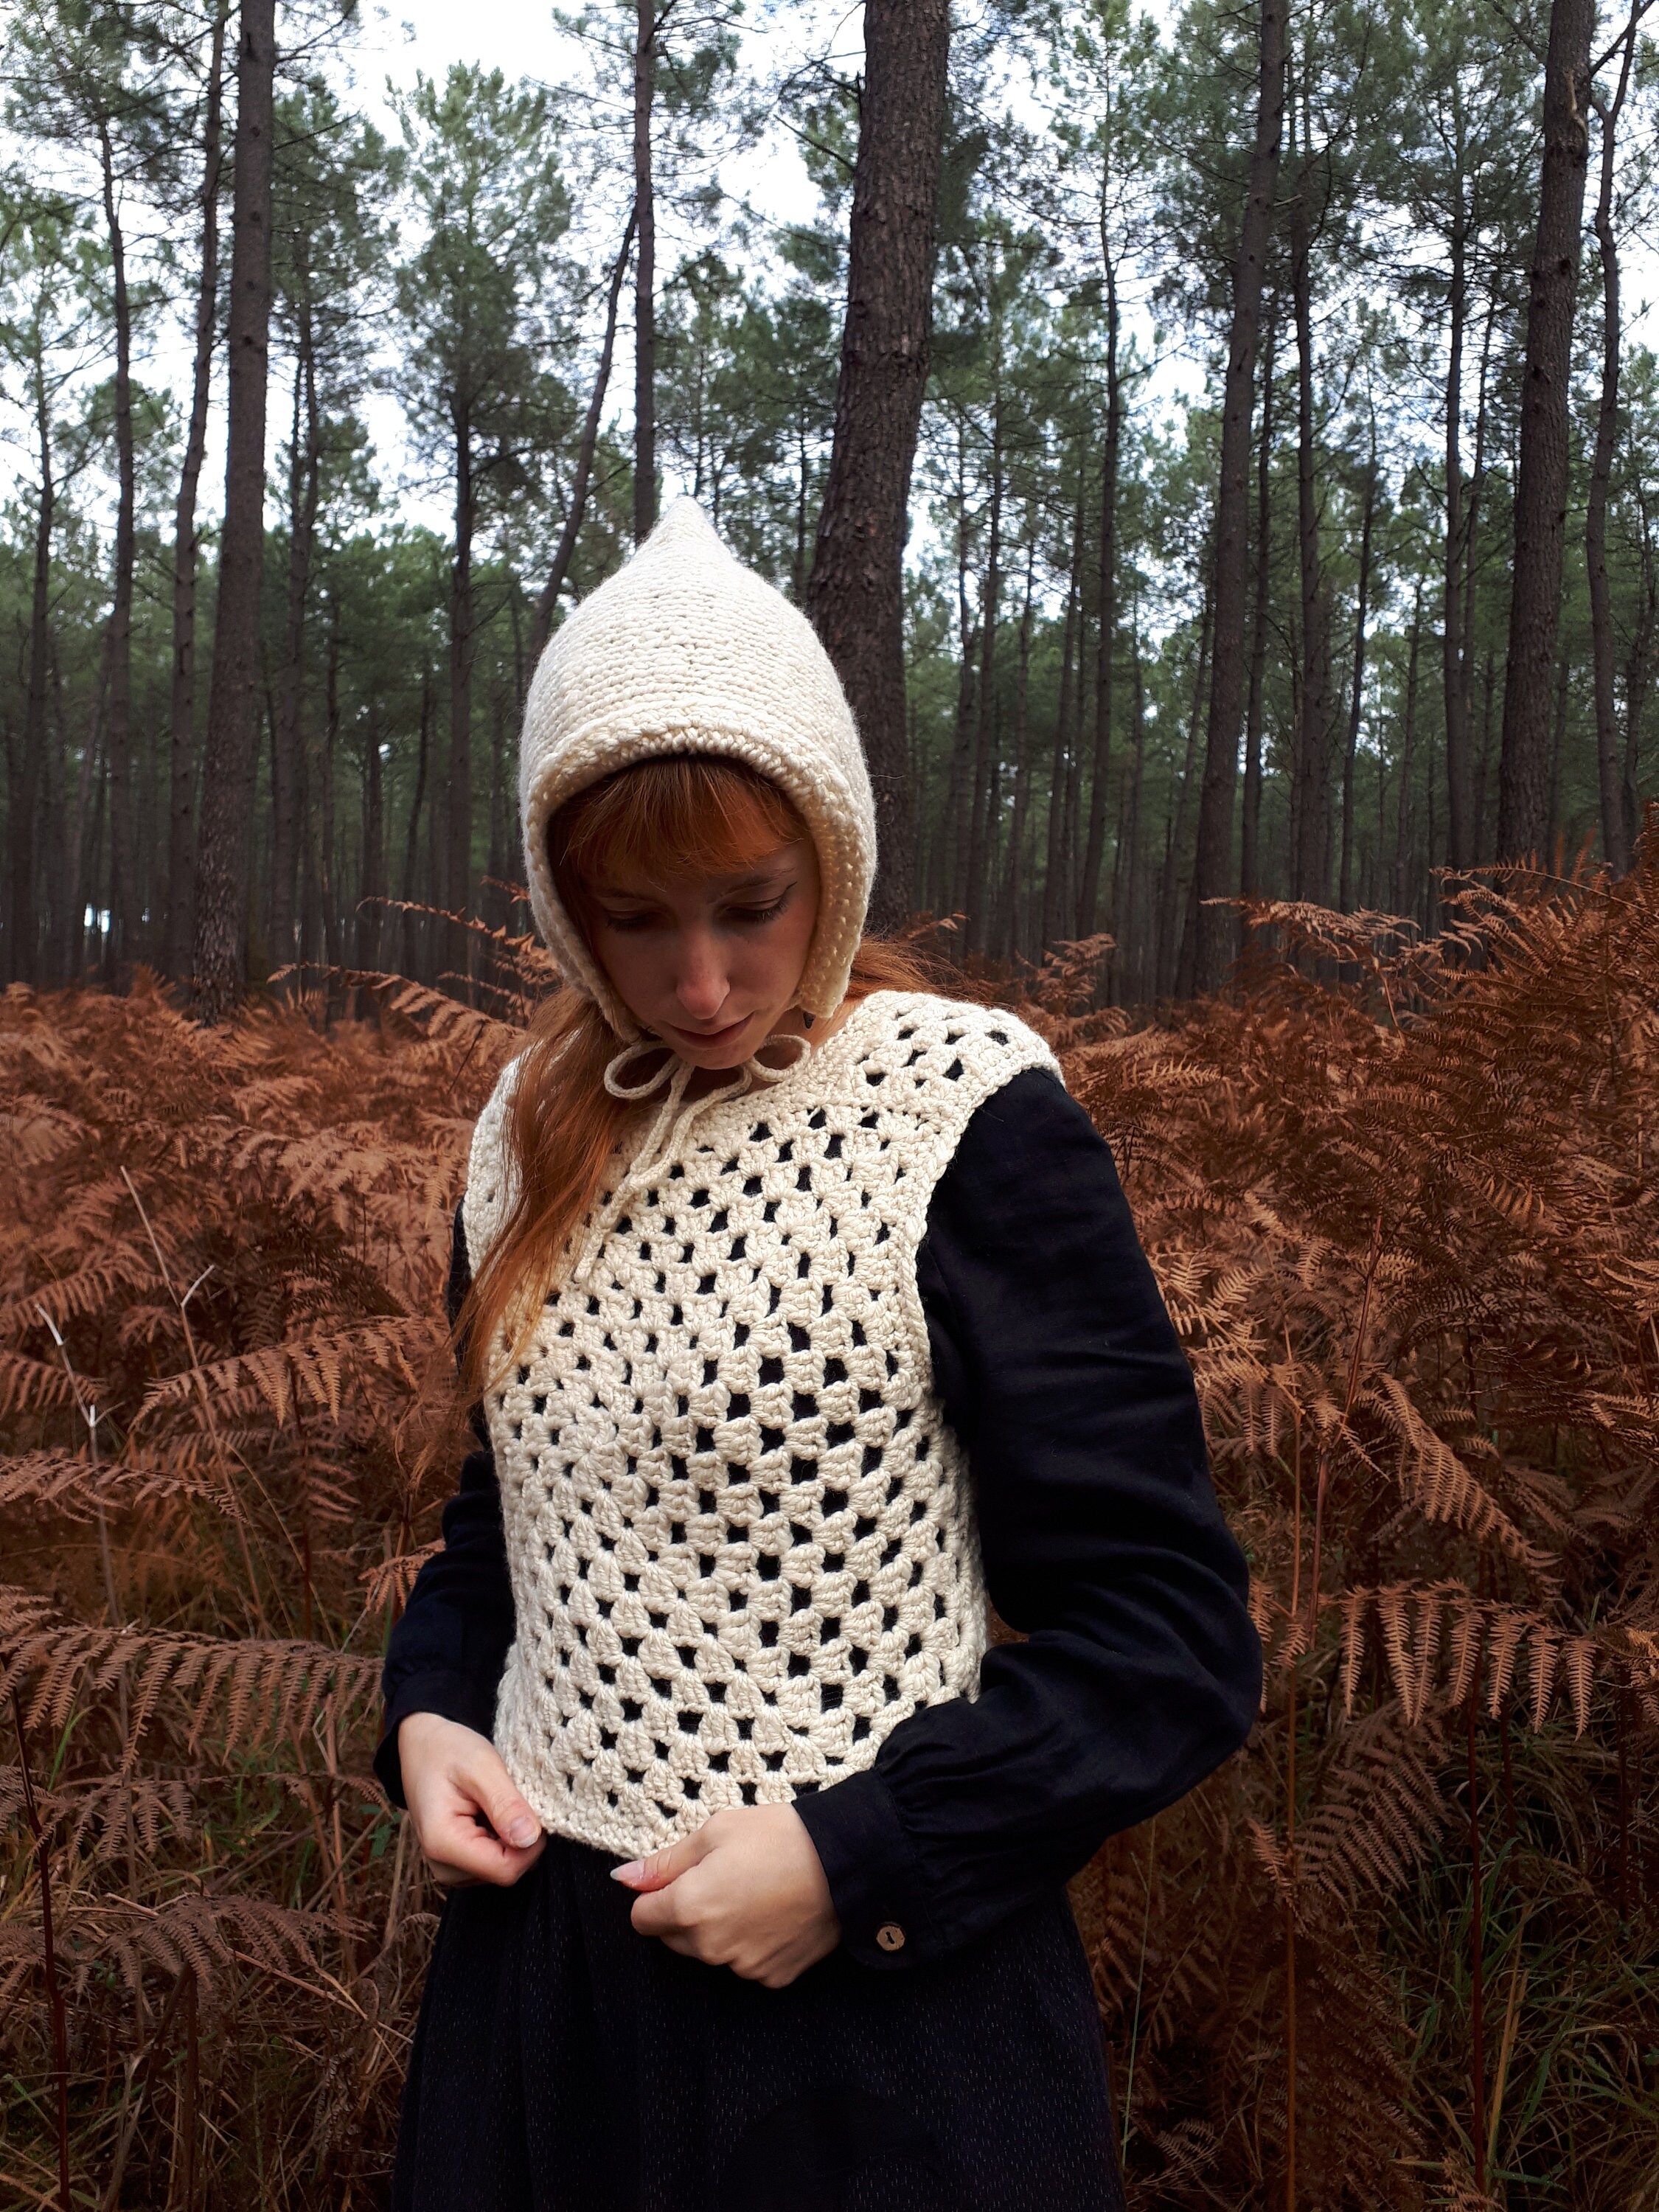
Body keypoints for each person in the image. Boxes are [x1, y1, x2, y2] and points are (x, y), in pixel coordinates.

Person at [377, 499, 1260, 2212]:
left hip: (876, 2038)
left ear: (832, 859)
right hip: (549, 2018)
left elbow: (1168, 1640)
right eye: (636, 922)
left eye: (751, 905)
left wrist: (857, 1857)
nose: (702, 983)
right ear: (565, 905)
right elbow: (508, 1526)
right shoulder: (524, 1135)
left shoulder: (961, 1124)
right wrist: (428, 1717)